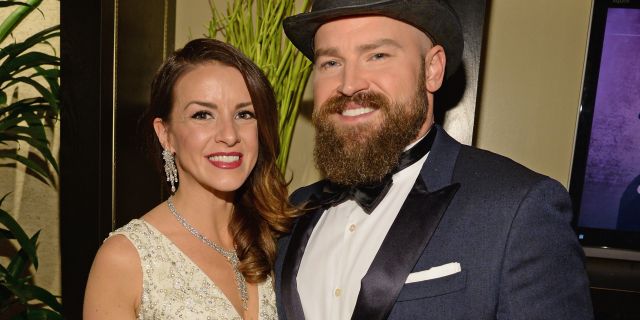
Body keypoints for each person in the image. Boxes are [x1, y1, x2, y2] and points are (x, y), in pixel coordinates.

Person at [274, 0, 594, 319]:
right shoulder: (294, 211)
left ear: (432, 69)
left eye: (377, 55)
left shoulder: (517, 210)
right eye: (331, 63)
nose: (349, 83)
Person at [84, 38, 293, 319]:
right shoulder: (125, 260)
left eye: (244, 114)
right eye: (202, 115)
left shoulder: (282, 238)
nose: (229, 135)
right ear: (165, 134)